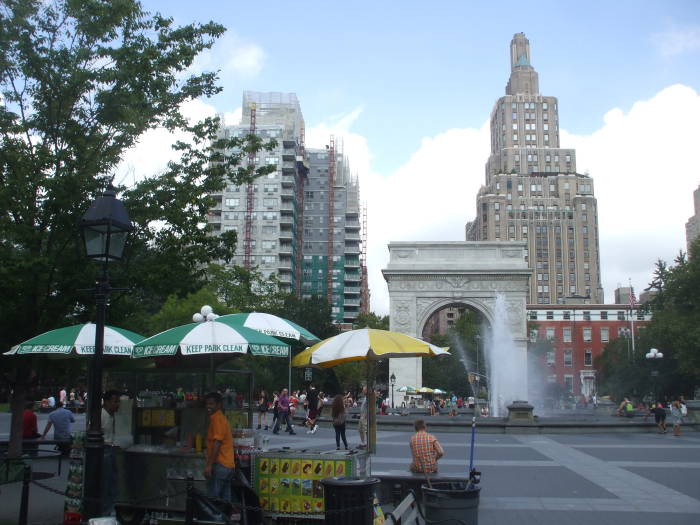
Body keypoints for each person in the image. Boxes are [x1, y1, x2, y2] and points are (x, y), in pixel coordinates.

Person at [204, 392, 235, 502]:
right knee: (224, 501)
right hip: (227, 465)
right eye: (207, 404)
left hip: (221, 465)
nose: (208, 406)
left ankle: (216, 519)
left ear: (219, 405)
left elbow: (217, 443)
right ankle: (224, 518)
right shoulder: (217, 418)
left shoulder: (217, 418)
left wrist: (209, 465)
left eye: (211, 404)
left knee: (213, 501)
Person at [101, 390, 121, 516]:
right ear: (107, 402)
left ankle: (108, 510)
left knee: (112, 482)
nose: (117, 404)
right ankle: (105, 512)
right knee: (106, 483)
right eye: (115, 401)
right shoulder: (101, 415)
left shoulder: (110, 415)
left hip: (110, 450)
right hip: (105, 451)